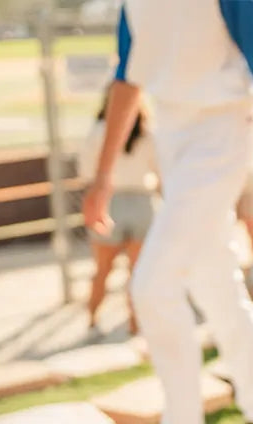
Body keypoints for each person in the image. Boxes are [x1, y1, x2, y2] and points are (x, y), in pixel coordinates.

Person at [83, 0, 253, 424]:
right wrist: (103, 177)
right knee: (214, 282)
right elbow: (129, 78)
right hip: (171, 135)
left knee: (151, 285)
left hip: (222, 131)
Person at [79, 84, 159, 336]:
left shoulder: (97, 132)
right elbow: (160, 171)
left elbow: (85, 172)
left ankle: (92, 321)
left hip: (109, 201)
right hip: (142, 204)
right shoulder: (148, 132)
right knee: (139, 273)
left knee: (102, 270)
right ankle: (136, 326)